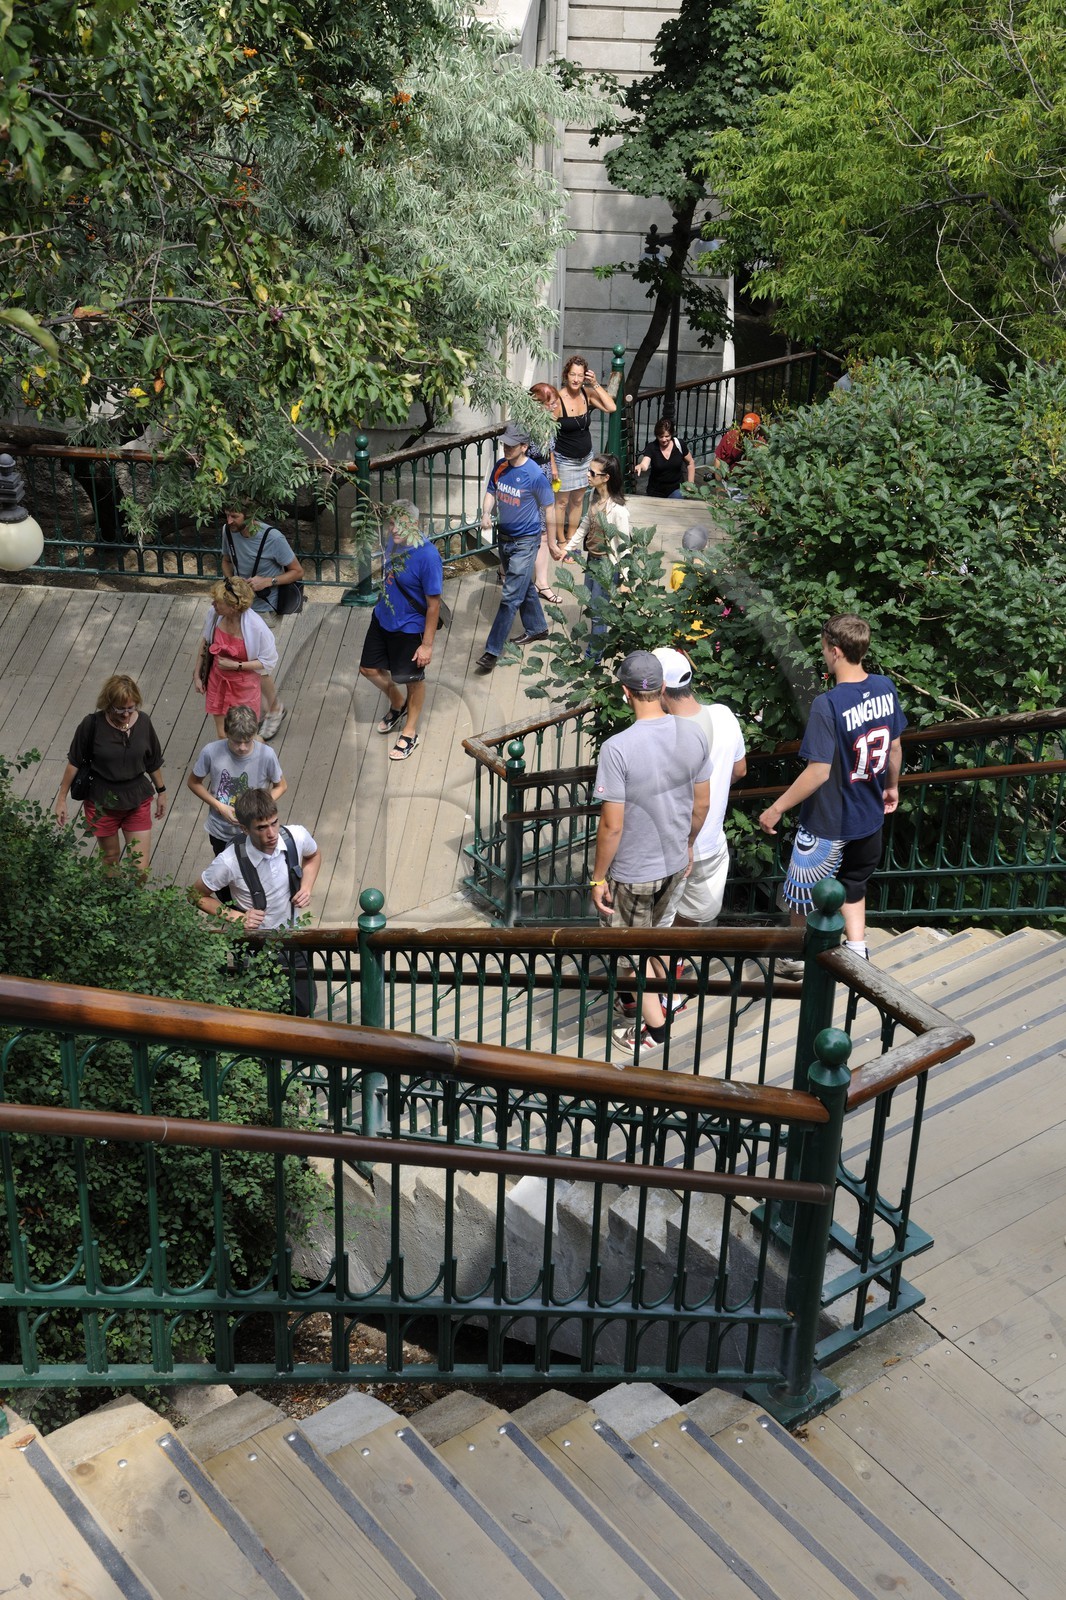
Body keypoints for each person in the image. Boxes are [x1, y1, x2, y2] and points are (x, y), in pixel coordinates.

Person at [758, 614, 906, 967]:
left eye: (824, 648)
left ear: (836, 651)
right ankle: (857, 950)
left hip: (827, 821)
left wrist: (776, 808)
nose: (824, 654)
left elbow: (819, 771)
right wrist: (892, 787)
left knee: (802, 892)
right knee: (854, 883)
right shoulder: (885, 687)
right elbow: (896, 747)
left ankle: (799, 958)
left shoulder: (829, 704)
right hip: (869, 814)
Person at [589, 651, 710, 1062]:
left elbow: (612, 826)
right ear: (661, 688)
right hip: (675, 862)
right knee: (657, 936)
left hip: (632, 872)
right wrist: (688, 844)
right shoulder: (693, 734)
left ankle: (656, 1029)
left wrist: (598, 877)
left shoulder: (616, 749)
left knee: (629, 956)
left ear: (626, 692)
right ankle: (668, 999)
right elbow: (702, 805)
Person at [194, 787, 321, 1014]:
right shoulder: (229, 861)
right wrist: (235, 917)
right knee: (259, 1011)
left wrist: (306, 886)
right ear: (244, 829)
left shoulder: (295, 837)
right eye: (262, 828)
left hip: (292, 938)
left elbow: (313, 855)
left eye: (274, 823)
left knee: (304, 1005)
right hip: (253, 947)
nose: (271, 833)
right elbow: (195, 894)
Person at [654, 647, 747, 932]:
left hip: (672, 850)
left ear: (662, 687)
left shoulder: (663, 734)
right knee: (694, 918)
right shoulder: (724, 715)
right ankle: (676, 962)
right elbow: (740, 770)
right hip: (711, 845)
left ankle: (661, 967)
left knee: (655, 926)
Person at [55, 674, 166, 878]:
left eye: (130, 708)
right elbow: (74, 762)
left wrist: (162, 792)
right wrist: (61, 799)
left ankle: (134, 905)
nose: (125, 714)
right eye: (119, 709)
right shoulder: (92, 724)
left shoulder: (143, 722)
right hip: (102, 801)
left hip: (136, 798)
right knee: (110, 860)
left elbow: (153, 761)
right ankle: (113, 905)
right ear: (108, 703)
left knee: (140, 869)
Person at [359, 499, 443, 759]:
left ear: (414, 524)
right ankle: (397, 702)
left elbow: (433, 605)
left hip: (409, 628)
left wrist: (426, 645)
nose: (393, 529)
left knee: (412, 681)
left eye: (400, 524)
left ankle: (409, 732)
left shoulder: (427, 555)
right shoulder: (393, 542)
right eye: (392, 523)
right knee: (368, 668)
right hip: (382, 618)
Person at [475, 424, 558, 674]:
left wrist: (552, 543)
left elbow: (550, 509)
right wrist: (486, 513)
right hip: (505, 538)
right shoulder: (500, 466)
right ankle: (537, 628)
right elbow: (491, 491)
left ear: (524, 447)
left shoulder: (534, 474)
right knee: (523, 586)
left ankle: (491, 651)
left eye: (512, 444)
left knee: (510, 597)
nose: (506, 447)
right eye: (505, 444)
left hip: (525, 541)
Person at [187, 705, 287, 901]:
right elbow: (194, 782)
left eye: (248, 742)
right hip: (221, 830)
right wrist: (219, 806)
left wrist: (257, 809)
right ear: (226, 733)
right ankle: (229, 912)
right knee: (225, 872)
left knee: (256, 872)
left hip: (254, 831)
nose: (242, 747)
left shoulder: (266, 755)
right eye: (236, 742)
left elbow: (281, 786)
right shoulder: (211, 752)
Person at [221, 506, 303, 737]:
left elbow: (297, 571)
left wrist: (268, 581)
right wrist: (233, 582)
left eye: (234, 515)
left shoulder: (272, 538)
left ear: (251, 516)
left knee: (257, 664)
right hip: (240, 607)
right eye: (227, 515)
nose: (229, 520)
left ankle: (275, 709)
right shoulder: (228, 531)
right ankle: (260, 707)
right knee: (245, 660)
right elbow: (226, 561)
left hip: (266, 608)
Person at [193, 575, 279, 739]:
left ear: (233, 607)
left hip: (244, 688)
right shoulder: (215, 614)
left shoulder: (257, 628)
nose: (213, 604)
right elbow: (205, 643)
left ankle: (263, 759)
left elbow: (268, 661)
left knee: (246, 737)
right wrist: (197, 675)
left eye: (218, 602)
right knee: (222, 735)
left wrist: (237, 665)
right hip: (218, 682)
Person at [561, 453, 631, 648]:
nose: (588, 475)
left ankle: (595, 655)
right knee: (594, 605)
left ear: (606, 478)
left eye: (592, 472)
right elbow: (585, 522)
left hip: (607, 565)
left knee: (599, 611)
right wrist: (570, 547)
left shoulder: (619, 511)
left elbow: (625, 547)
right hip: (592, 559)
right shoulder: (594, 495)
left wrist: (626, 579)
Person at [554, 355, 616, 546]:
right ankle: (561, 539)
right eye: (572, 374)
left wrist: (596, 384)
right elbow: (547, 436)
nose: (576, 379)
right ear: (566, 375)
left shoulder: (586, 394)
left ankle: (572, 538)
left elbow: (611, 407)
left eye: (580, 375)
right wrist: (552, 465)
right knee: (562, 502)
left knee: (578, 500)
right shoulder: (558, 399)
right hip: (564, 460)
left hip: (585, 459)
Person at [528, 382, 563, 604]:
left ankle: (542, 583)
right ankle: (504, 571)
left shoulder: (549, 422)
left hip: (544, 476)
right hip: (529, 478)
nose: (553, 407)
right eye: (549, 404)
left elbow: (549, 449)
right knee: (523, 530)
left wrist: (554, 468)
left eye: (554, 403)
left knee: (542, 531)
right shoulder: (526, 424)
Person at [635, 417, 696, 499]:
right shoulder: (652, 447)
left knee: (675, 505)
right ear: (656, 436)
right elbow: (645, 464)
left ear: (671, 434)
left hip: (676, 489)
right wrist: (640, 466)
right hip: (656, 491)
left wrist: (690, 484)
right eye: (661, 436)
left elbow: (690, 463)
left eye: (667, 436)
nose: (664, 439)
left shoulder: (679, 444)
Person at [713, 411, 763, 497]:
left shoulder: (761, 445)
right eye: (744, 430)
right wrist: (719, 489)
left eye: (749, 431)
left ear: (757, 428)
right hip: (729, 483)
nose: (746, 433)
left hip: (749, 487)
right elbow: (718, 461)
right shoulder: (731, 436)